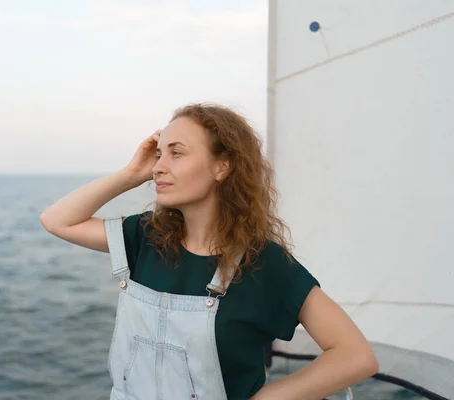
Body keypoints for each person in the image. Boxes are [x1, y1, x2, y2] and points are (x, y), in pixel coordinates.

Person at [40, 103, 379, 399]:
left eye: (177, 153)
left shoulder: (264, 264)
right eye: (159, 154)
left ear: (222, 167)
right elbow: (57, 221)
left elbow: (355, 356)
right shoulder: (146, 237)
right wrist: (131, 174)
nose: (158, 167)